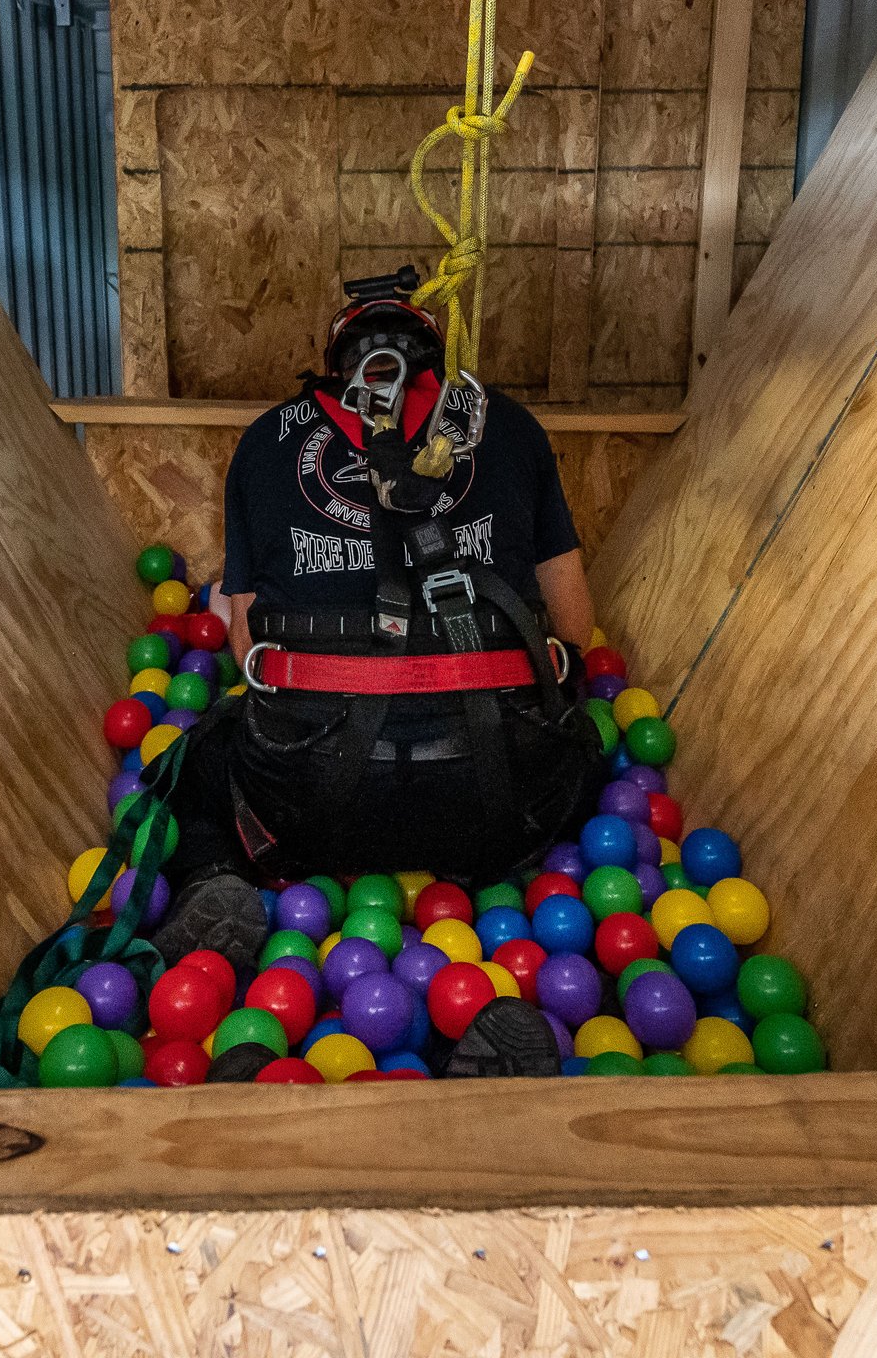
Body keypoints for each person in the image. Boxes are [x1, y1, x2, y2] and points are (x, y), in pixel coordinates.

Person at [149, 267, 606, 1076]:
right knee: (586, 749)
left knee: (194, 763)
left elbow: (246, 647)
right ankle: (484, 1014)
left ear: (337, 362)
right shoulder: (511, 427)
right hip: (499, 803)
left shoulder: (264, 441)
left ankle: (216, 894)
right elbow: (573, 629)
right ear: (434, 358)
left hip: (305, 806)